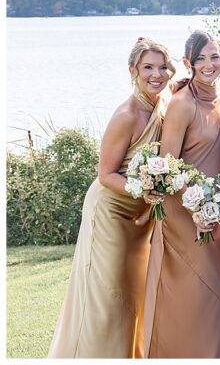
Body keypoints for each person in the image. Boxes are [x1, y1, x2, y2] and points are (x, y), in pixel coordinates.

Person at [49, 38, 175, 358]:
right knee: (107, 296)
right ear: (133, 71)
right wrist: (143, 190)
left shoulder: (163, 104)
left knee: (134, 293)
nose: (156, 74)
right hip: (110, 212)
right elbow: (106, 174)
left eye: (162, 67)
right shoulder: (127, 114)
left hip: (140, 221)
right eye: (148, 67)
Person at [144, 31, 220, 358]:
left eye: (215, 56)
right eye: (201, 59)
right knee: (188, 302)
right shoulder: (182, 104)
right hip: (184, 217)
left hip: (218, 216)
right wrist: (197, 206)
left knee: (215, 305)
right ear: (188, 63)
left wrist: (217, 205)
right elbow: (168, 167)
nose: (209, 65)